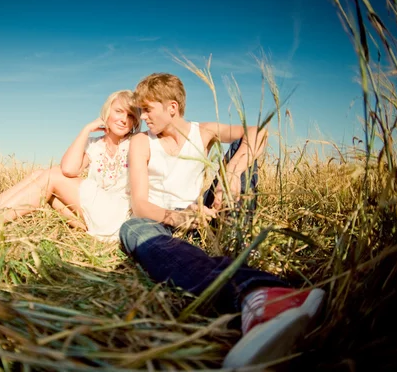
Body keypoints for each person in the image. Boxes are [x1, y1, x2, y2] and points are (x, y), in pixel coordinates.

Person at [120, 73, 325, 368]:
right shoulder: (142, 141)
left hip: (205, 215)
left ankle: (239, 246)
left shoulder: (203, 131)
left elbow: (257, 132)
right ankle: (258, 291)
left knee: (243, 152)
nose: (144, 116)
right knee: (131, 229)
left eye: (148, 109)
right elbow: (140, 206)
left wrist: (230, 174)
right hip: (162, 221)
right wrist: (180, 218)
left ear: (172, 107)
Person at [0, 90, 141, 242]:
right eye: (119, 111)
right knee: (38, 175)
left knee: (52, 176)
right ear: (107, 112)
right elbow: (69, 169)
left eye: (130, 115)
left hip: (118, 214)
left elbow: (62, 172)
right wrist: (85, 130)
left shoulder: (137, 143)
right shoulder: (94, 145)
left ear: (135, 121)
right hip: (94, 213)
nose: (124, 119)